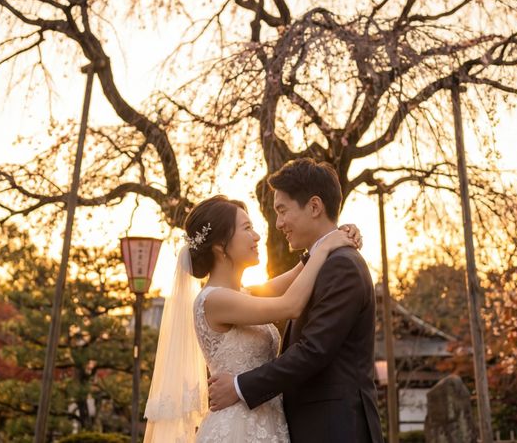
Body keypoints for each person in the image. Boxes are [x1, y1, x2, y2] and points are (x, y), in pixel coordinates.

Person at [144, 190, 363, 443]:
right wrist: (326, 246)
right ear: (220, 246)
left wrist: (336, 235)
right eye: (247, 228)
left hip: (267, 421)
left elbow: (298, 272)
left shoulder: (243, 295)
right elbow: (290, 305)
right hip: (237, 428)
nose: (257, 236)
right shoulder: (215, 300)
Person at [208, 159, 384, 443]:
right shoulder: (324, 262)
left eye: (282, 210)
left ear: (314, 207)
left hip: (335, 429)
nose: (278, 224)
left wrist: (240, 386)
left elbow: (314, 350)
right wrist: (324, 247)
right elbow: (266, 295)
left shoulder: (342, 266)